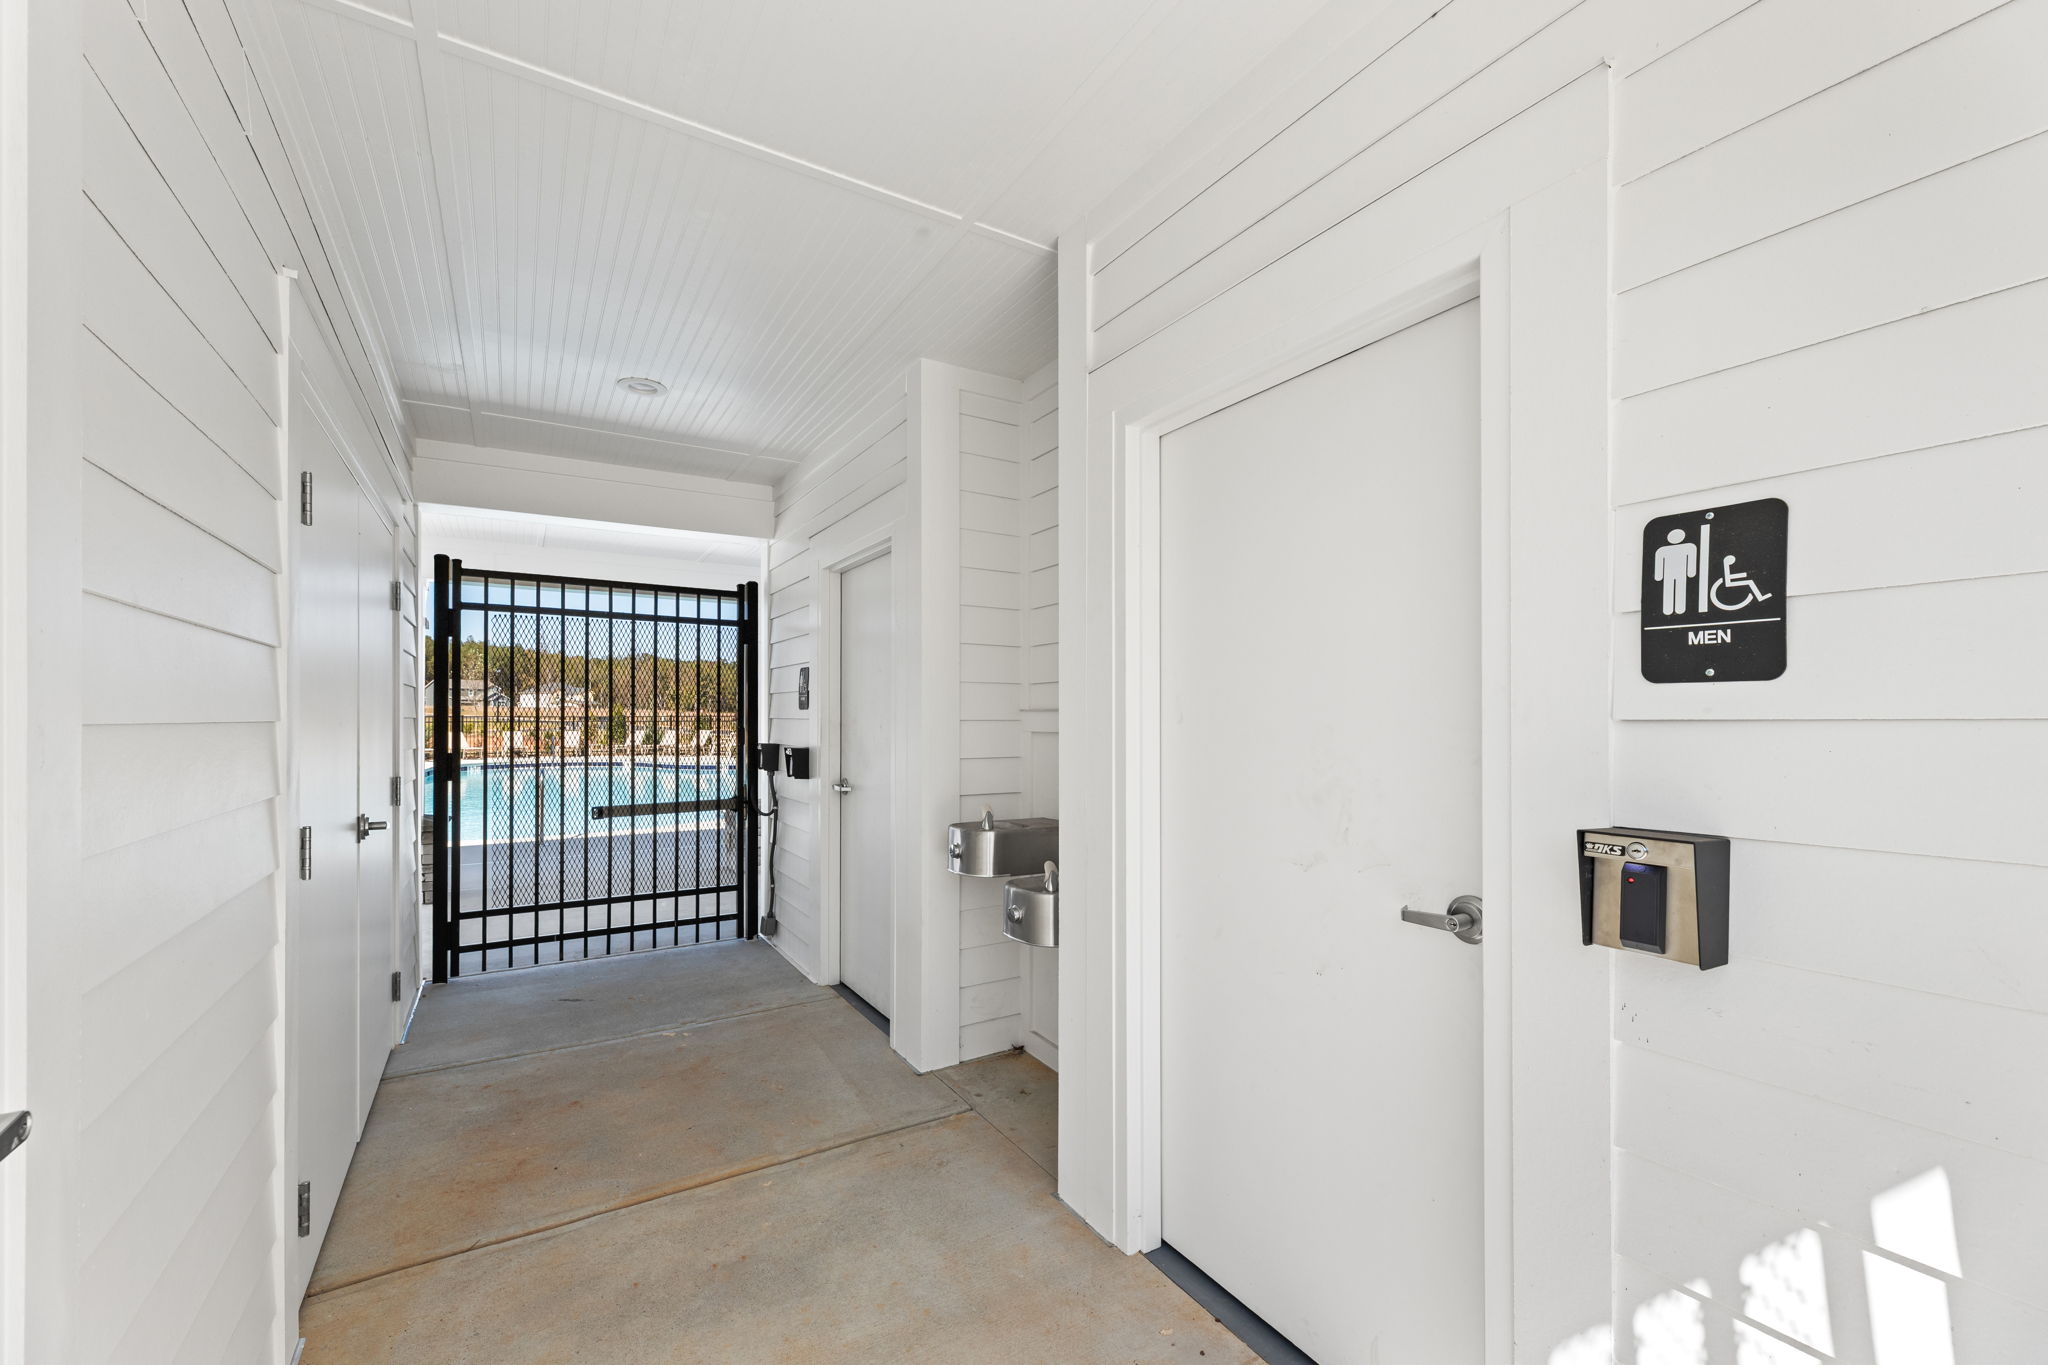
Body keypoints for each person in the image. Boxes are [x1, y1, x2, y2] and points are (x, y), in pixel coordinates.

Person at [1652, 528, 1697, 616]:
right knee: (1669, 589)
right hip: (1669, 574)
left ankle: (1679, 609)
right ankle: (1669, 609)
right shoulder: (1662, 550)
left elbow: (1691, 560)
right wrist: (1658, 576)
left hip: (1680, 573)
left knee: (1680, 589)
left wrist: (1691, 572)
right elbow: (1659, 563)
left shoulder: (1689, 547)